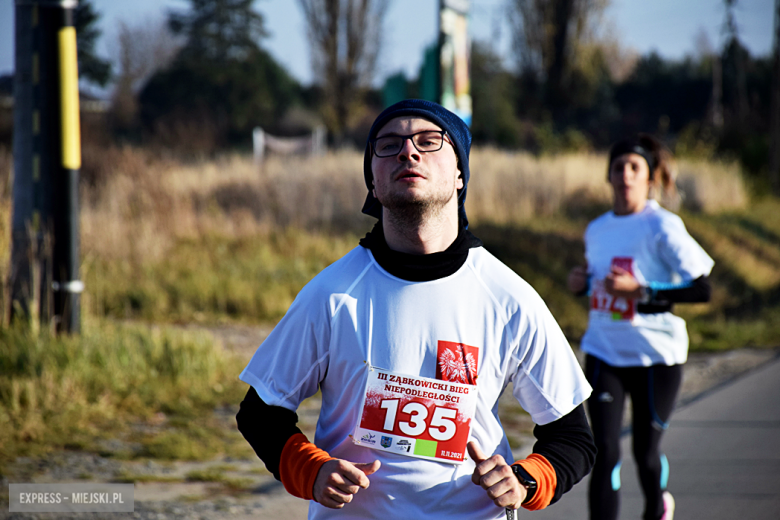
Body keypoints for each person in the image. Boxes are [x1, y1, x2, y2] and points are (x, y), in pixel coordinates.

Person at [237, 99, 596, 519]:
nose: (409, 152)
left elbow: (572, 438)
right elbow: (260, 414)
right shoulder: (332, 295)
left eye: (429, 141)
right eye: (388, 145)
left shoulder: (508, 297)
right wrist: (310, 470)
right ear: (372, 180)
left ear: (461, 172)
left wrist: (525, 480)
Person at [567, 134, 714, 520]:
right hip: (604, 349)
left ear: (650, 178)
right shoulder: (596, 229)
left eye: (635, 168)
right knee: (605, 452)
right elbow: (601, 286)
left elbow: (702, 288)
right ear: (609, 176)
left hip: (656, 354)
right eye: (618, 167)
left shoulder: (663, 226)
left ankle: (658, 506)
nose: (625, 175)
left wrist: (642, 291)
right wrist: (581, 284)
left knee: (645, 454)